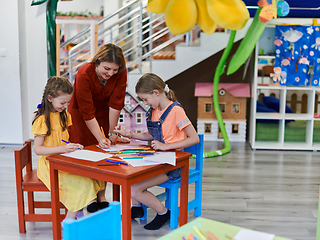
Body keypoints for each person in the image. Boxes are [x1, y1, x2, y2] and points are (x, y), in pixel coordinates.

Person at [113, 73, 199, 230]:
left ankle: (163, 213)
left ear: (156, 92)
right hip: (157, 160)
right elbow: (151, 136)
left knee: (133, 188)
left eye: (145, 99)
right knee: (128, 176)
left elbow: (194, 138)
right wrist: (129, 134)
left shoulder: (176, 111)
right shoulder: (154, 110)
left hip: (174, 165)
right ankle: (138, 208)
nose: (145, 103)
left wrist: (166, 146)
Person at [31, 76, 108, 219]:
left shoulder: (64, 115)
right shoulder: (42, 120)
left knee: (92, 176)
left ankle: (82, 208)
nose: (65, 106)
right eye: (62, 102)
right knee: (83, 184)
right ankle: (69, 221)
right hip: (49, 165)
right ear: (49, 98)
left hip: (63, 160)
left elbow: (63, 141)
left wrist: (72, 147)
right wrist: (62, 149)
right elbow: (38, 150)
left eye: (68, 102)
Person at [68, 43, 128, 148]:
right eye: (107, 68)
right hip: (81, 115)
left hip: (104, 114)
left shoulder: (121, 72)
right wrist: (100, 138)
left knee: (104, 147)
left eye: (115, 70)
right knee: (84, 146)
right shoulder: (84, 74)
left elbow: (116, 103)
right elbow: (87, 111)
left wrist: (111, 133)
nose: (111, 73)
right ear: (97, 62)